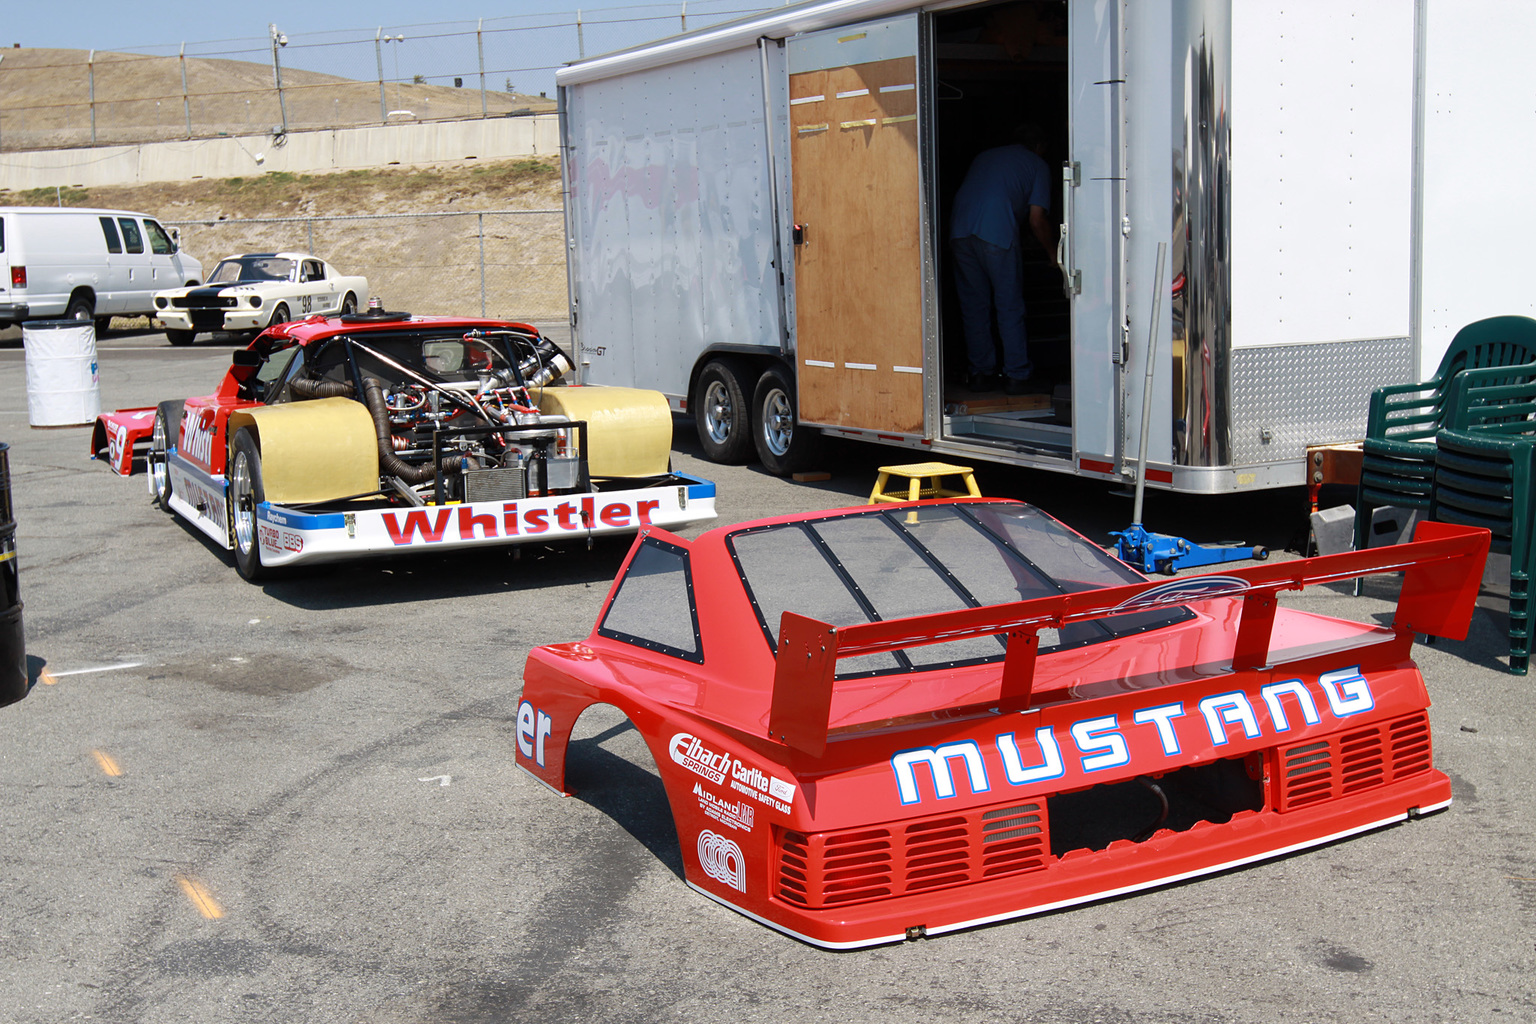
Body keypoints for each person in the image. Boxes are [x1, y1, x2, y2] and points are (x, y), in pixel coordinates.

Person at [949, 124, 1058, 395]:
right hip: (996, 232)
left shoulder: (985, 156)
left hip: (960, 230)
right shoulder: (1037, 165)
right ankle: (1016, 375)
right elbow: (1037, 219)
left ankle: (980, 374)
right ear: (1040, 147)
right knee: (1008, 306)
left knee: (974, 307)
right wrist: (1054, 255)